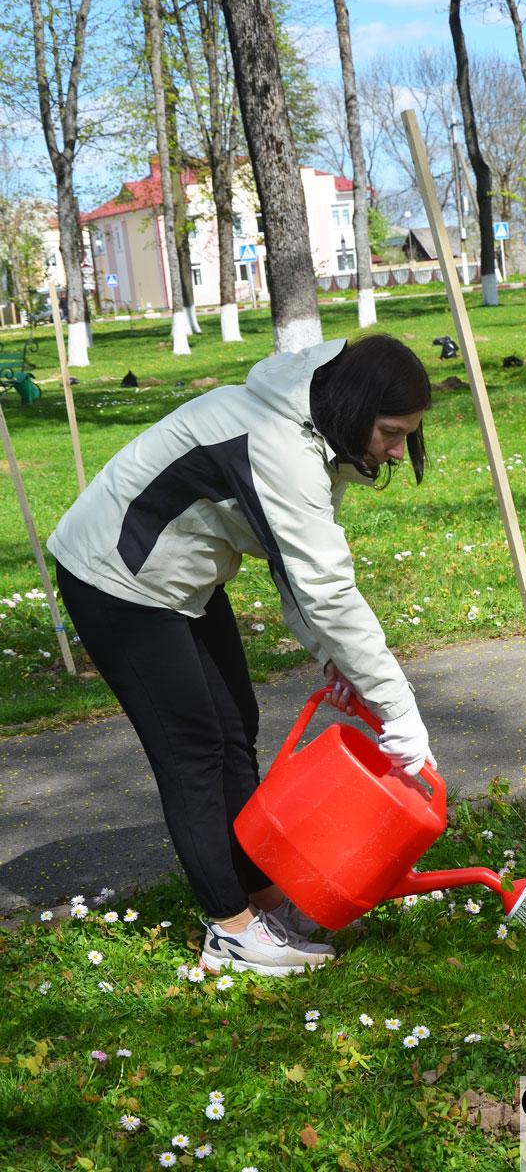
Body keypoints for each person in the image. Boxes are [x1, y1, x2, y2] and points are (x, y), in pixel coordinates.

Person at [47, 334, 436, 976]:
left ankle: (261, 901)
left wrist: (337, 665)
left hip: (180, 582)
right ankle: (230, 932)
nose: (396, 450)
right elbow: (326, 586)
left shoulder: (315, 429)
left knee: (236, 731)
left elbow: (298, 568)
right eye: (391, 432)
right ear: (355, 406)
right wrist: (399, 707)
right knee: (193, 752)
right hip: (115, 580)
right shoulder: (279, 442)